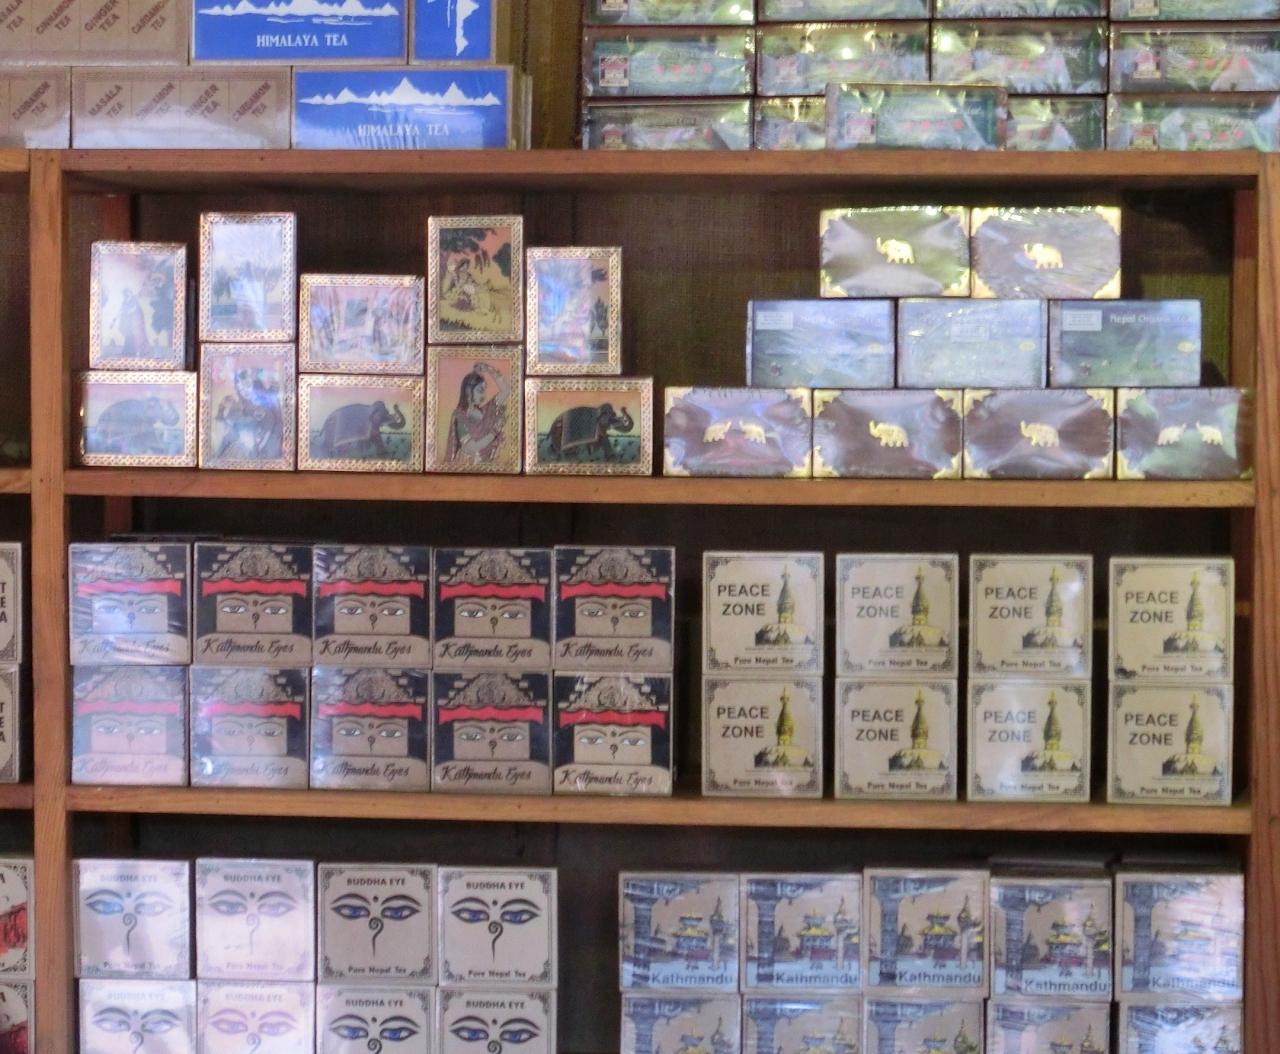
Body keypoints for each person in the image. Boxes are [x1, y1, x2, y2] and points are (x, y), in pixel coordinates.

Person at [446, 361, 508, 464]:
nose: (483, 396)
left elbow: (505, 391)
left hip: (487, 464)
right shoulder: (460, 416)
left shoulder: (486, 410)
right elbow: (470, 448)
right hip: (467, 465)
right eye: (480, 390)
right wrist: (494, 432)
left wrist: (488, 369)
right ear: (468, 391)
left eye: (484, 391)